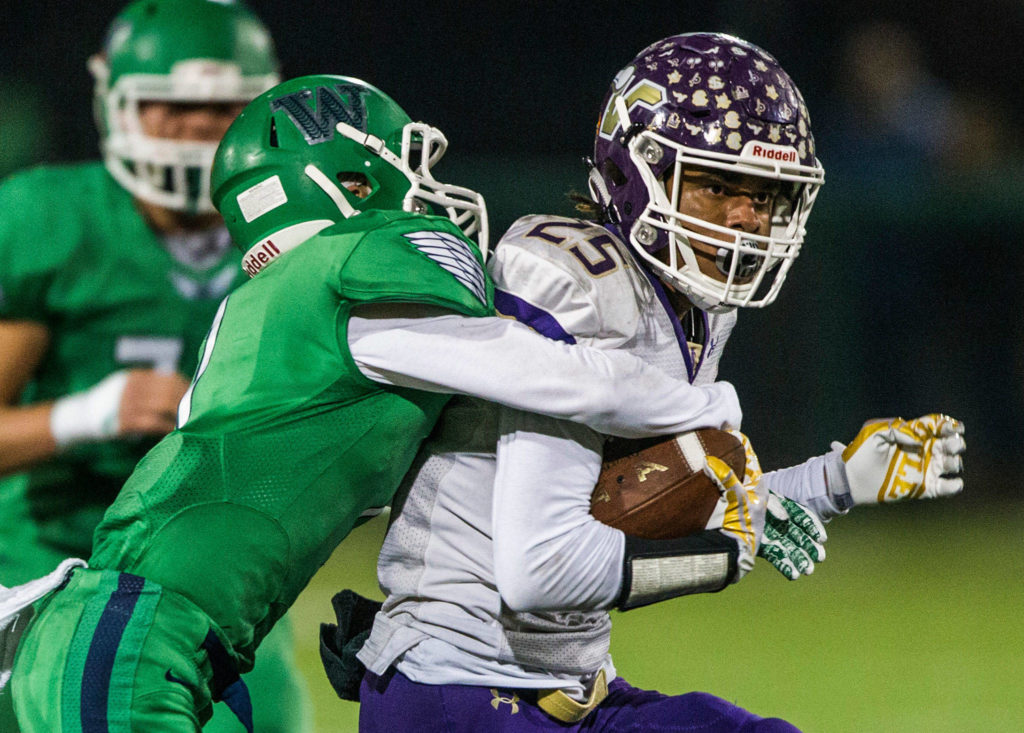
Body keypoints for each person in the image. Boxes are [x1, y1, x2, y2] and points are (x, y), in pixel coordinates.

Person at [2, 70, 753, 732]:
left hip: (152, 641)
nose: (428, 189)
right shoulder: (346, 272)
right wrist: (710, 406)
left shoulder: (294, 313)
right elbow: (562, 377)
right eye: (408, 165)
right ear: (349, 185)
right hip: (137, 642)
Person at [349, 32, 966, 731]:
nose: (746, 216)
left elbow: (666, 493)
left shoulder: (694, 305)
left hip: (564, 688)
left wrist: (838, 479)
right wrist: (721, 557)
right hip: (455, 692)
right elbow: (540, 569)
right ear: (635, 172)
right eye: (717, 185)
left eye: (765, 194)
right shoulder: (578, 284)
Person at [0, 1, 316, 731]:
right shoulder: (51, 219)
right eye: (171, 105)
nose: (198, 127)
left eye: (223, 108)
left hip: (207, 578)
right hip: (48, 564)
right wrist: (90, 414)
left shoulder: (299, 236)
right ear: (116, 103)